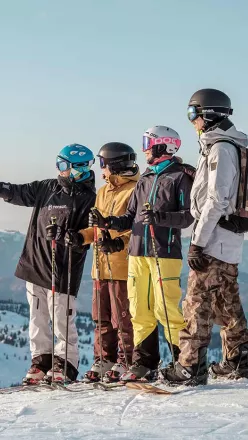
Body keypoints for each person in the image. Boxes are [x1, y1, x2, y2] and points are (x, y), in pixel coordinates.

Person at [0, 144, 96, 384]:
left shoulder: (89, 198)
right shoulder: (47, 187)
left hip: (63, 266)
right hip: (35, 261)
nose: (60, 171)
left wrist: (70, 235)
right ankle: (41, 361)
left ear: (78, 168)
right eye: (58, 165)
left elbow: (89, 234)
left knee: (61, 318)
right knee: (37, 317)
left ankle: (65, 363)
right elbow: (16, 192)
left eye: (63, 166)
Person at [90, 126, 195, 381]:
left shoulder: (180, 177)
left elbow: (189, 216)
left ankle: (186, 363)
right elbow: (129, 218)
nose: (144, 148)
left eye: (148, 143)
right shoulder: (146, 179)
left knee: (166, 308)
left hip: (164, 252)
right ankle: (143, 363)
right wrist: (107, 222)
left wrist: (160, 217)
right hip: (137, 253)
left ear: (163, 146)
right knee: (139, 309)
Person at [161, 89, 248, 386]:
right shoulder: (228, 145)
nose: (192, 121)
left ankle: (190, 367)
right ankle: (238, 359)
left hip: (215, 236)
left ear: (207, 114)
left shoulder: (221, 148)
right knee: (227, 301)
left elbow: (216, 199)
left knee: (197, 303)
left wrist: (197, 242)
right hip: (229, 237)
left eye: (192, 113)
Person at [69, 142, 138, 383]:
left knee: (123, 318)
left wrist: (119, 244)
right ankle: (104, 358)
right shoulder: (103, 191)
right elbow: (96, 228)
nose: (100, 169)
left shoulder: (134, 191)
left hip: (122, 265)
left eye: (102, 164)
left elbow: (138, 229)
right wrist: (80, 236)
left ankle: (126, 359)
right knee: (101, 317)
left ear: (114, 164)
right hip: (99, 266)